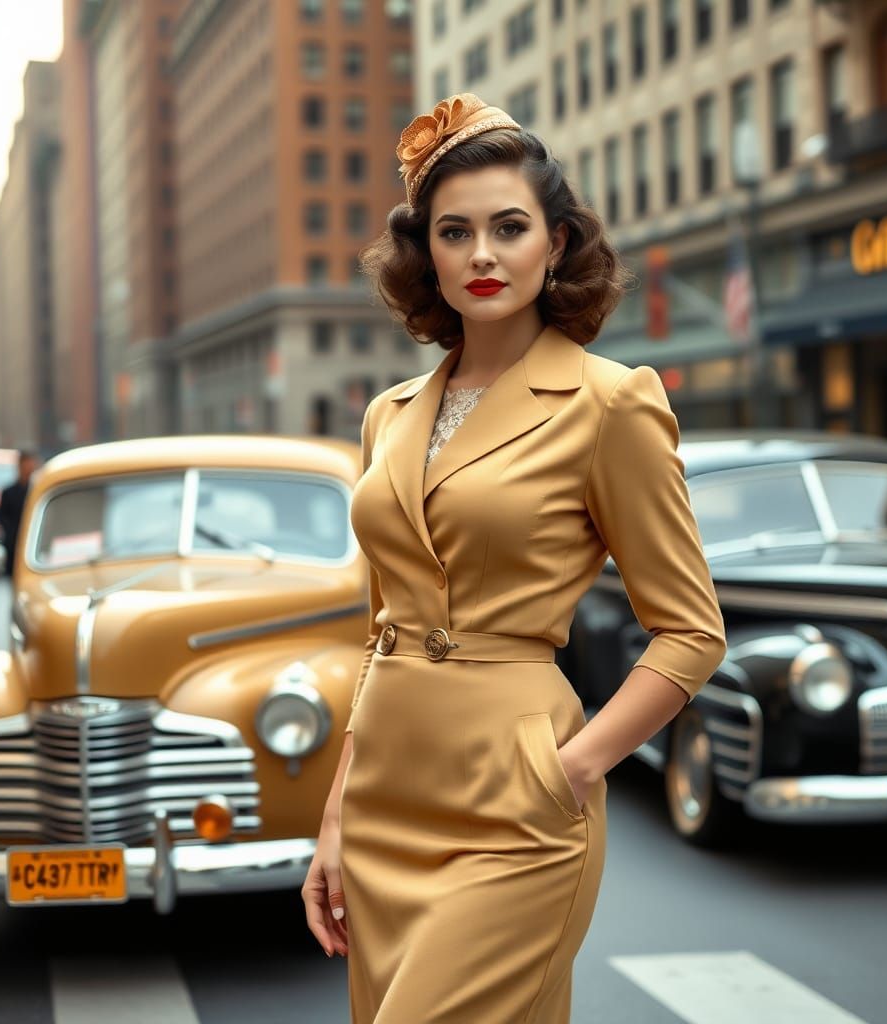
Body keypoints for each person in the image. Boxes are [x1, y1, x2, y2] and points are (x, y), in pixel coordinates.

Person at [300, 94, 727, 1022]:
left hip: (516, 803)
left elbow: (691, 633)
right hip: (383, 801)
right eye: (454, 233)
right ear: (427, 255)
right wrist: (334, 817)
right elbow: (381, 634)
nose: (482, 255)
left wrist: (573, 768)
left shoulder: (611, 403)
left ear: (556, 242)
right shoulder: (388, 416)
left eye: (509, 227)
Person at [0, 450, 38, 578]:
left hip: (34, 541)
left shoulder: (36, 490)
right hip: (14, 543)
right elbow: (2, 517)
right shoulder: (8, 492)